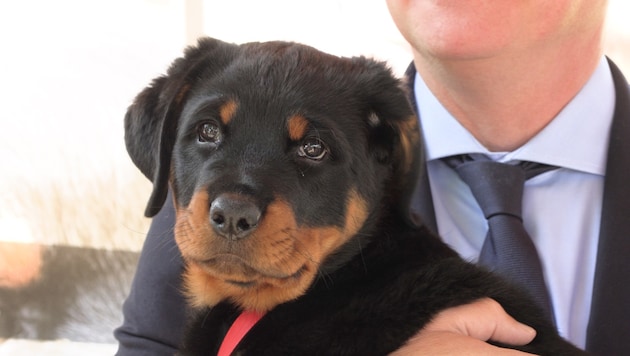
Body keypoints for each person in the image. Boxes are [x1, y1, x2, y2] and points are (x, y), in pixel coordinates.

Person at [115, 1, 630, 354]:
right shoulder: (207, 205)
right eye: (208, 133)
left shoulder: (356, 121)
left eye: (312, 148)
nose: (232, 206)